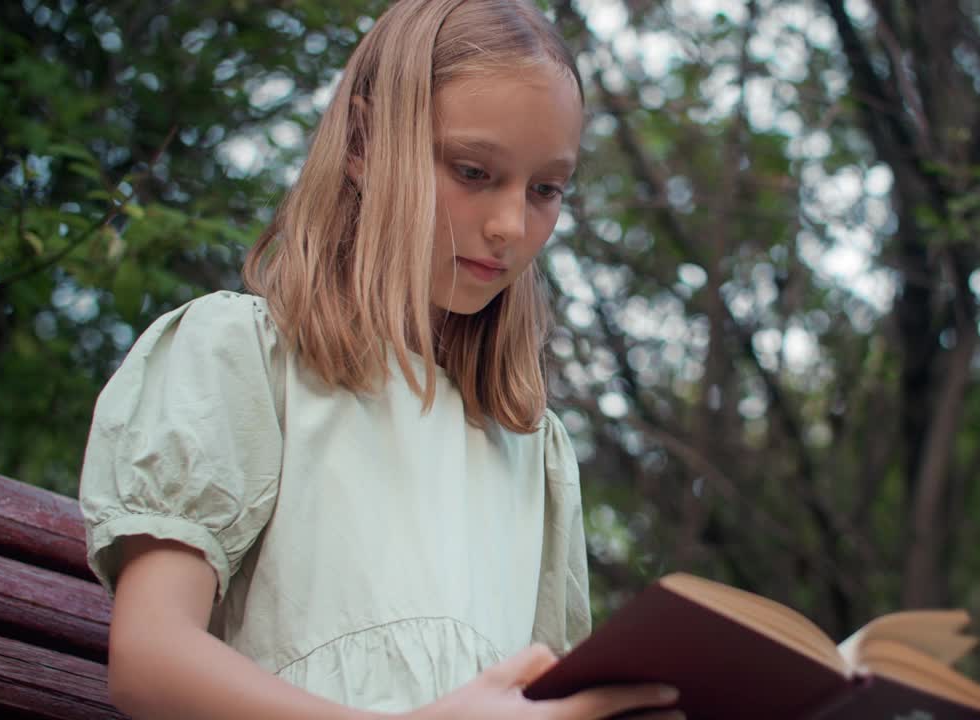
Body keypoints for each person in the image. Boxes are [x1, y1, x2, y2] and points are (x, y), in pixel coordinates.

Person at [78, 1, 682, 718]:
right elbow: (150, 662)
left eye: (546, 189)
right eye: (472, 170)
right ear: (364, 142)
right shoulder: (243, 360)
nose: (510, 225)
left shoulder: (533, 452)